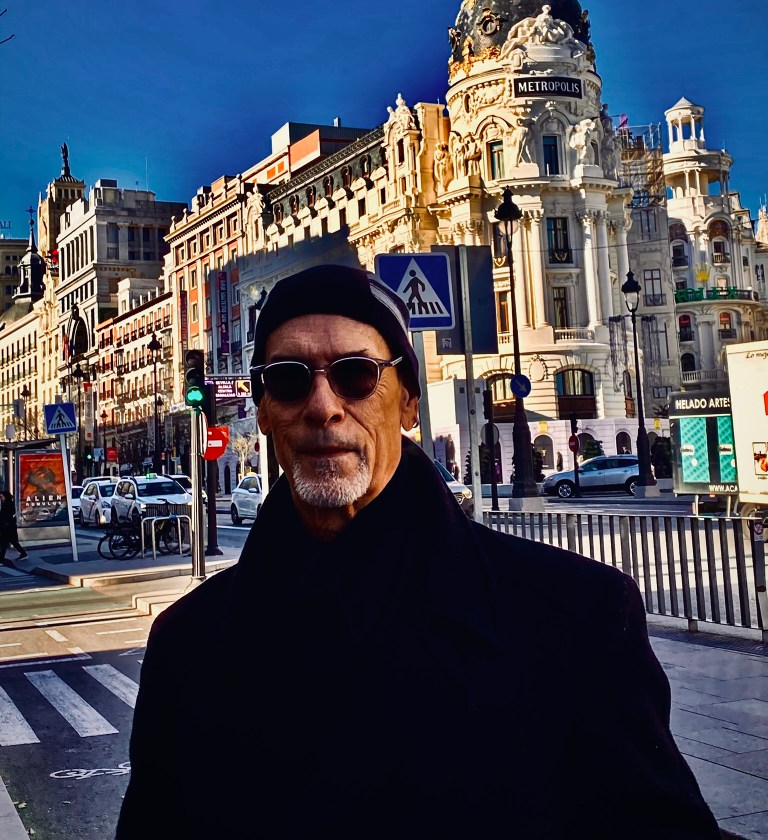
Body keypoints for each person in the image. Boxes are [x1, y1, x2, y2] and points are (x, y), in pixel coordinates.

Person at [116, 265, 719, 839]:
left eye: (356, 374)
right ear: (265, 411)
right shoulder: (187, 646)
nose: (323, 406)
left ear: (407, 402)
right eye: (290, 378)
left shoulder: (577, 615)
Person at [0, 490, 28, 563]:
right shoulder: (6, 503)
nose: (1, 498)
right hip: (9, 526)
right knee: (13, 542)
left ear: (5, 496)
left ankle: (1, 559)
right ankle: (23, 554)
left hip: (8, 527)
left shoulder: (8, 504)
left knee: (4, 543)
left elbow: (6, 515)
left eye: (2, 497)